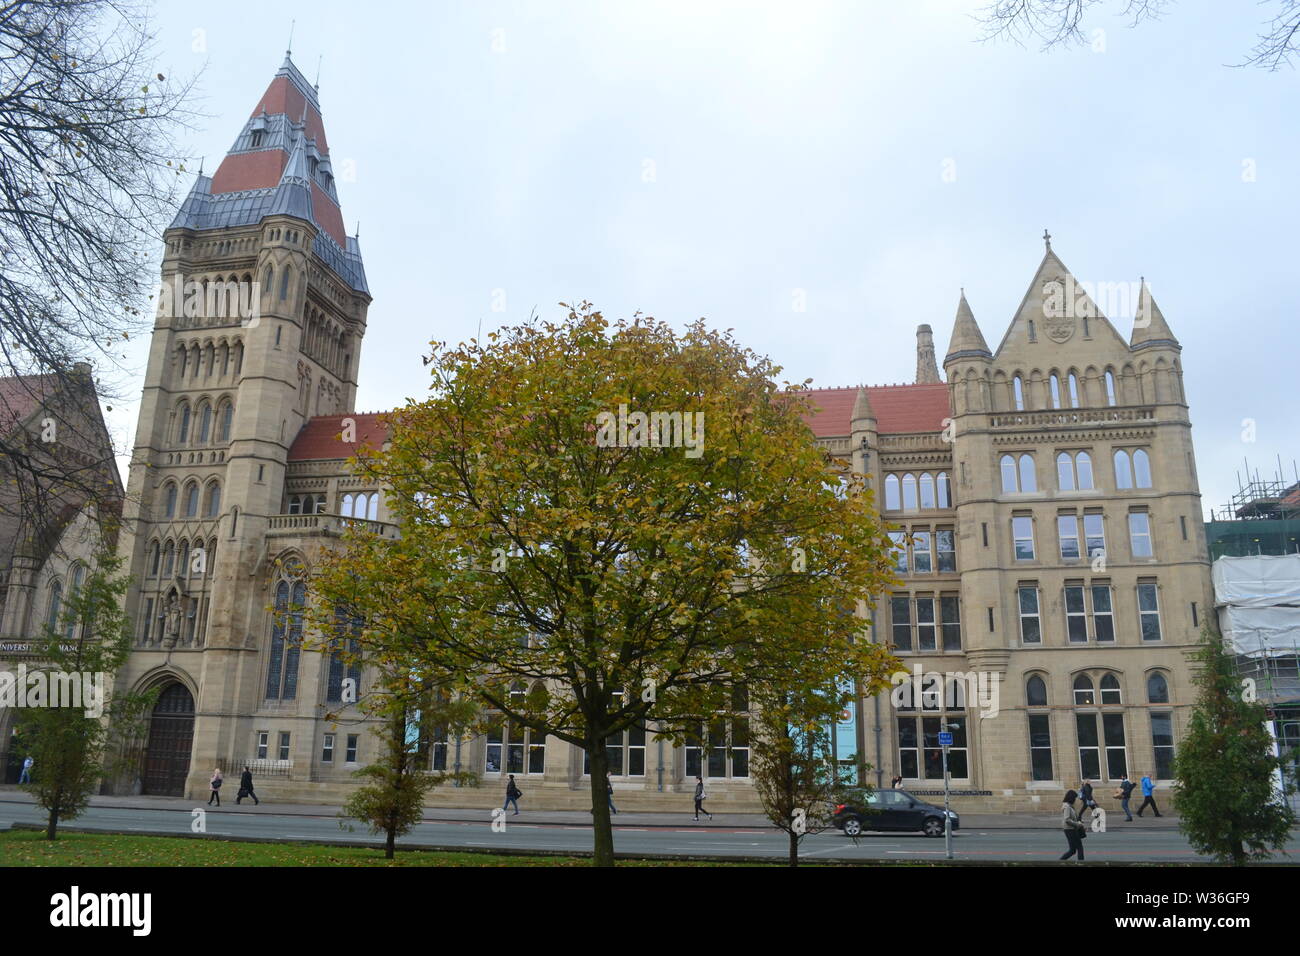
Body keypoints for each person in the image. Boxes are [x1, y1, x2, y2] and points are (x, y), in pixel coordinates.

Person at [1059, 789, 1086, 862]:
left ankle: (1060, 861)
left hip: (1071, 829)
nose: (1075, 800)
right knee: (1079, 847)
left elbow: (1072, 818)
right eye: (1074, 798)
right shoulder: (1067, 807)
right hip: (1070, 829)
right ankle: (1081, 863)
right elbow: (1067, 819)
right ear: (1071, 798)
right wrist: (1077, 824)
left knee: (1072, 850)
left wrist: (1079, 821)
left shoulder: (1070, 806)